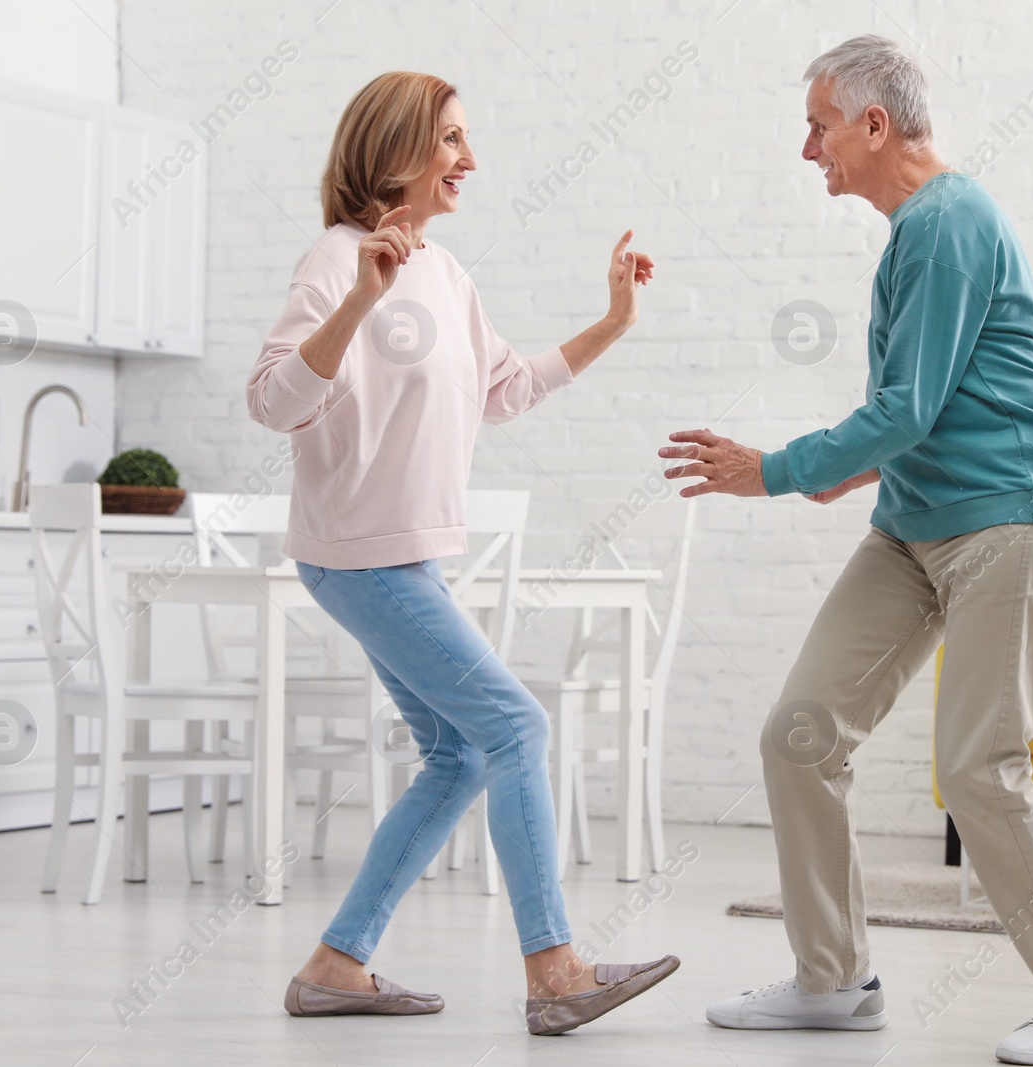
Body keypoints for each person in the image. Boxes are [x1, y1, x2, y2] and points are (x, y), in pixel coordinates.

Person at [661, 36, 1033, 1065]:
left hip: (1004, 520)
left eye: (818, 126)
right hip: (916, 526)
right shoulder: (913, 235)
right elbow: (920, 410)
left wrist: (779, 466)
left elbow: (908, 404)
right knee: (799, 732)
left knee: (980, 766)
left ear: (872, 125)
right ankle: (832, 981)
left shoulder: (949, 221)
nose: (809, 150)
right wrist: (847, 466)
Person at [246, 70, 678, 1036]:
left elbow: (507, 388)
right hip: (357, 553)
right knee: (516, 729)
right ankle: (555, 968)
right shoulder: (336, 259)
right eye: (450, 142)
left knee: (459, 753)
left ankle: (336, 964)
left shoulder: (445, 272)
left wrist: (611, 321)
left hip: (408, 557)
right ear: (394, 148)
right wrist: (358, 299)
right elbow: (273, 400)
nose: (469, 161)